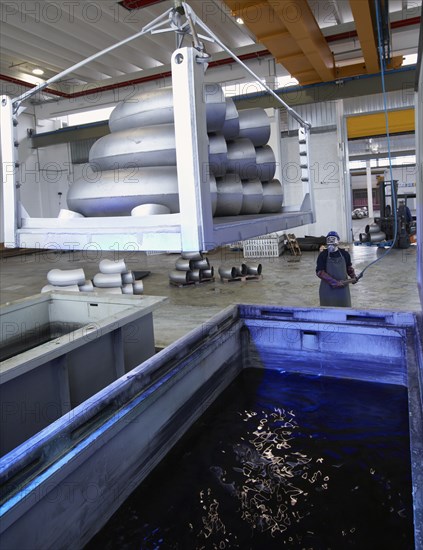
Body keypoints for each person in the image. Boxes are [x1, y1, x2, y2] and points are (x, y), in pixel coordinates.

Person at [316, 231, 358, 307]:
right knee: (328, 311)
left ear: (338, 241)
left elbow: (348, 267)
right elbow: (320, 272)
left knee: (344, 309)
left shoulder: (345, 254)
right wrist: (334, 282)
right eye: (329, 239)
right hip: (327, 289)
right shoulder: (323, 255)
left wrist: (353, 276)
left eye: (333, 239)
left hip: (343, 289)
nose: (331, 241)